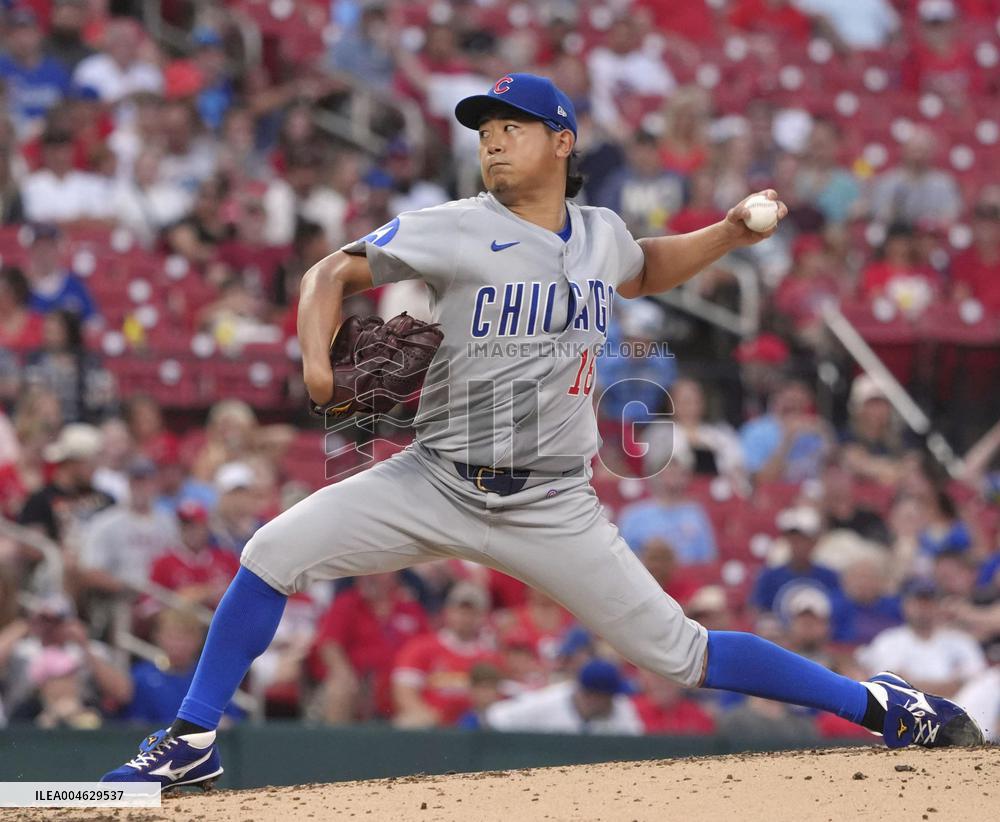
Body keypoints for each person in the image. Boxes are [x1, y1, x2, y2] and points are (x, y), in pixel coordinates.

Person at [101, 72, 983, 789]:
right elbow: (330, 271)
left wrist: (723, 232)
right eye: (484, 128)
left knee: (680, 653)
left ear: (561, 141)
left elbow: (648, 266)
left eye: (512, 125)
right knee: (271, 551)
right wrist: (318, 364)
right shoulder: (453, 228)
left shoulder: (600, 235)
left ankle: (882, 705)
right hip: (434, 476)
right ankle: (192, 738)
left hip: (553, 501)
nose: (491, 138)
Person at [857, 578, 987, 698]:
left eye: (929, 603)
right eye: (918, 603)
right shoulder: (888, 641)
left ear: (938, 606)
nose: (923, 609)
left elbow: (975, 683)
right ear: (905, 606)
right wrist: (950, 685)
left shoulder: (961, 641)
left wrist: (914, 683)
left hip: (956, 714)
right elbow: (893, 687)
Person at [484, 657, 643, 735]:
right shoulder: (548, 702)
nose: (613, 701)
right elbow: (496, 716)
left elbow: (635, 740)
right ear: (592, 697)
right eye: (609, 697)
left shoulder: (621, 708)